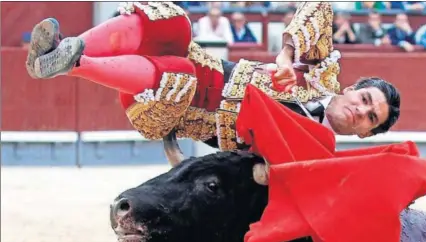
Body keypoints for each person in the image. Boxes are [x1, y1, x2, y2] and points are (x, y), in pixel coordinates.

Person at [26, 1, 400, 152]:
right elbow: (318, 6)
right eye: (365, 100)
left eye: (370, 118)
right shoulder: (323, 74)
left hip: (177, 110)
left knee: (181, 76)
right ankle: (63, 48)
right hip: (202, 64)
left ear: (366, 133)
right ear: (353, 89)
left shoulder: (321, 152)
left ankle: (74, 63)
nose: (359, 111)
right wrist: (287, 55)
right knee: (170, 19)